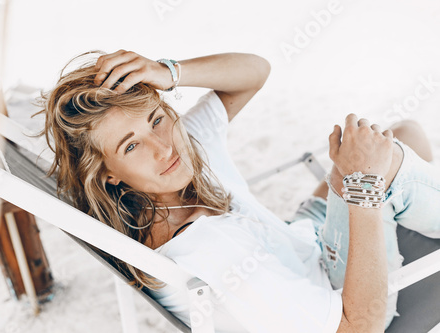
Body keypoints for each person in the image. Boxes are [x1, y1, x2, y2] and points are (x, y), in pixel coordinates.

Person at [37, 49, 440, 332]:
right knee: (388, 165)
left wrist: (167, 70)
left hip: (302, 242)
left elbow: (255, 72)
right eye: (131, 145)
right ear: (109, 175)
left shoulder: (177, 154)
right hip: (341, 292)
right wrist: (362, 184)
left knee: (402, 133)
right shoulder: (206, 253)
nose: (163, 147)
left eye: (157, 119)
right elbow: (357, 327)